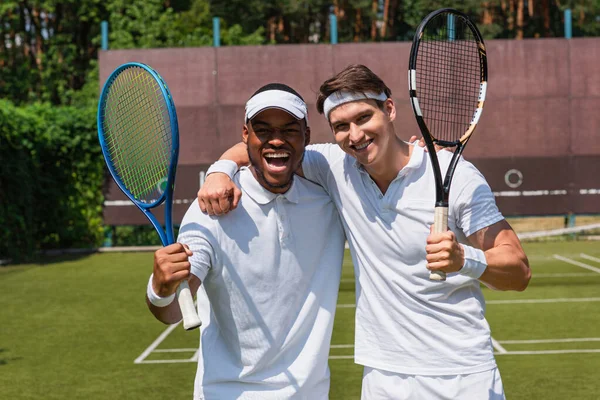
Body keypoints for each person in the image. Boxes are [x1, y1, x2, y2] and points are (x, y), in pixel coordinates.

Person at [198, 64, 531, 399]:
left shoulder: (456, 176)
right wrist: (220, 170)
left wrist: (463, 259)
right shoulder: (334, 167)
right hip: (382, 376)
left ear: (389, 109)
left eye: (362, 118)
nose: (354, 135)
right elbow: (271, 147)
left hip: (461, 375)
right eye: (341, 126)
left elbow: (518, 270)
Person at [146, 83, 346, 399]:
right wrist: (161, 288)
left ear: (306, 136)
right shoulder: (210, 210)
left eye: (289, 130)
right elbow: (171, 312)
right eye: (263, 130)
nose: (276, 140)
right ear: (245, 135)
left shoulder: (332, 199)